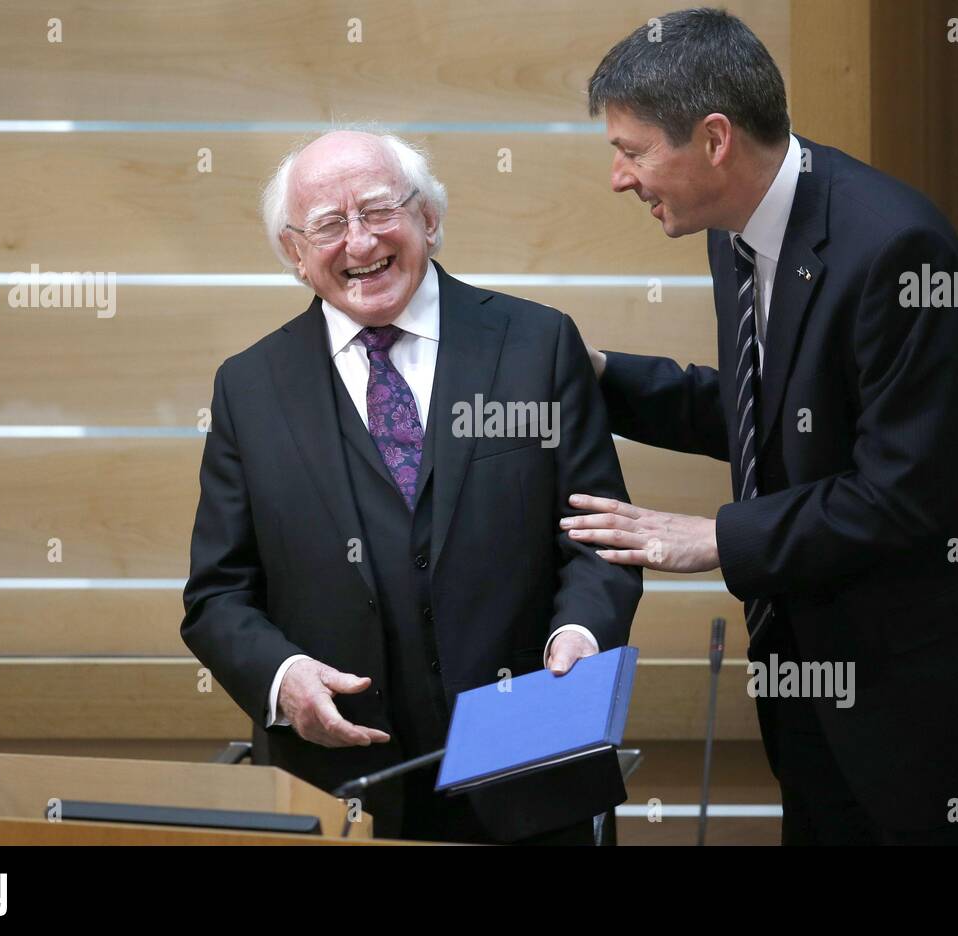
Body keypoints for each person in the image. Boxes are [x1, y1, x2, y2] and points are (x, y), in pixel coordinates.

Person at [565, 7, 958, 844]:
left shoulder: (896, 247)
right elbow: (766, 415)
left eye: (631, 152)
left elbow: (903, 494)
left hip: (930, 714)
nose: (621, 178)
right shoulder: (732, 233)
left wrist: (716, 538)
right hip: (815, 698)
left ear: (714, 140)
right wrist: (597, 377)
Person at [181, 130, 641, 843]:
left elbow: (599, 537)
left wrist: (583, 635)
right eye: (329, 225)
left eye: (378, 211)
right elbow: (217, 596)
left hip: (528, 764)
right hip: (340, 785)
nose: (360, 243)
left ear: (428, 217)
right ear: (295, 255)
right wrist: (283, 679)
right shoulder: (248, 388)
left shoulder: (537, 345)